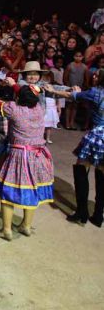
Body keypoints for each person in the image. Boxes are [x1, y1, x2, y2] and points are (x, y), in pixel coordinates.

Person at [0, 84, 54, 241]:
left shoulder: (13, 109)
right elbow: (26, 94)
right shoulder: (38, 107)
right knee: (32, 189)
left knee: (7, 192)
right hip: (38, 155)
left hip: (20, 155)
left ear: (18, 98)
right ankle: (26, 226)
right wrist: (14, 85)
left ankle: (6, 230)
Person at [64, 68, 104, 227]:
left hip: (98, 135)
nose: (93, 75)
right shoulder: (94, 91)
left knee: (81, 168)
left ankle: (82, 213)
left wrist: (54, 90)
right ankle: (98, 215)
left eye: (97, 74)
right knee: (102, 174)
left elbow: (71, 95)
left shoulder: (96, 92)